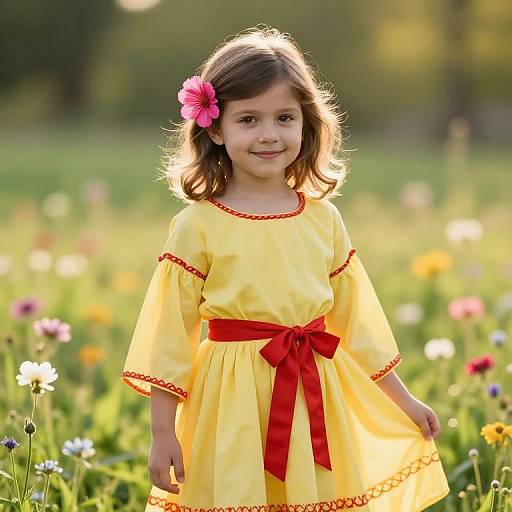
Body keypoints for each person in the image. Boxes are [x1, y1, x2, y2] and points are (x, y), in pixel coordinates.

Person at [121, 26, 450, 512]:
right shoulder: (198, 225)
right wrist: (162, 431)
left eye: (285, 118)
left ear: (306, 124)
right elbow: (171, 333)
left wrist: (406, 402)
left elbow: (358, 323)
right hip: (231, 399)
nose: (269, 134)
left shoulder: (323, 219)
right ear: (215, 128)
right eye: (249, 119)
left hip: (314, 391)